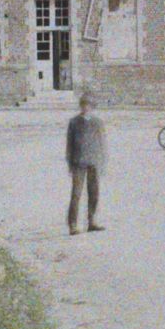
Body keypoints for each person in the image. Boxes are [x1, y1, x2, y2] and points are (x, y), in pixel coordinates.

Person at [66, 89, 106, 235]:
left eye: (88, 105)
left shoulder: (98, 123)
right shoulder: (74, 122)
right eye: (83, 104)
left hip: (93, 162)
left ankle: (92, 221)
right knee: (76, 194)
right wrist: (70, 163)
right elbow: (69, 145)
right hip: (78, 163)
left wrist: (102, 162)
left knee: (94, 193)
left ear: (92, 106)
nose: (85, 107)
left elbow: (102, 143)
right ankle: (73, 224)